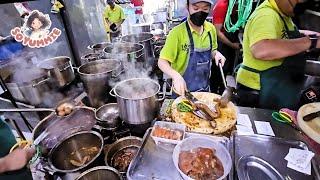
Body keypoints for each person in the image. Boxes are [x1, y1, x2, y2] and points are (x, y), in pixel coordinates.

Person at [236, 0, 320, 110]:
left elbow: (282, 36)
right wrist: (310, 42)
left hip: (275, 88)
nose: (302, 3)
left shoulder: (283, 16)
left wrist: (308, 35)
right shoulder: (266, 15)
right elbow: (261, 49)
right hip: (259, 91)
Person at [158, 0, 226, 97]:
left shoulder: (211, 29)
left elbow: (212, 51)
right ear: (187, 7)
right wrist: (176, 76)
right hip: (182, 93)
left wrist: (216, 54)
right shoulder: (177, 33)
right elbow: (162, 62)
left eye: (205, 8)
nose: (200, 12)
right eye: (196, 8)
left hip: (204, 92)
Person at [210, 0, 241, 94]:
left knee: (227, 72)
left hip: (232, 44)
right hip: (222, 45)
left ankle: (223, 92)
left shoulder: (239, 6)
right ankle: (214, 94)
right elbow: (217, 32)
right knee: (218, 73)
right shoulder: (222, 5)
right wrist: (232, 45)